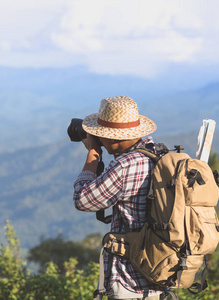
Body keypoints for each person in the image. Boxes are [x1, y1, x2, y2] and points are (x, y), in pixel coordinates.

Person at [73, 96, 164, 300]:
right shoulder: (158, 154)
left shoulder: (125, 165)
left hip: (130, 281)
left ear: (114, 139)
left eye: (100, 135)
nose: (100, 141)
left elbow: (82, 199)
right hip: (160, 276)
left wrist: (93, 154)